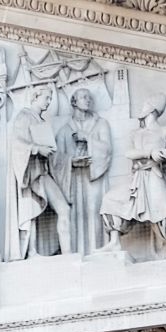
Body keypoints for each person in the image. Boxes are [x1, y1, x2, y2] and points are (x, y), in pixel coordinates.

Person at [101, 94, 166, 258]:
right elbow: (129, 153)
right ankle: (114, 242)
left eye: (145, 105)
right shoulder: (136, 133)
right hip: (137, 179)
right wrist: (150, 152)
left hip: (154, 176)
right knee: (110, 199)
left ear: (152, 109)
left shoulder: (164, 131)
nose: (142, 108)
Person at [9, 86, 72, 257]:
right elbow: (17, 143)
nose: (49, 102)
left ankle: (67, 254)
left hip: (43, 172)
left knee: (64, 209)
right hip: (30, 172)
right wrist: (37, 149)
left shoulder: (42, 121)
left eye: (50, 98)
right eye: (46, 98)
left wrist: (70, 161)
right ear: (35, 97)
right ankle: (32, 251)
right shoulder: (24, 116)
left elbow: (52, 153)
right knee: (31, 210)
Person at [56, 88, 111, 254]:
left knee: (95, 211)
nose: (88, 100)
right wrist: (71, 162)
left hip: (94, 175)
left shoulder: (101, 124)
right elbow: (56, 160)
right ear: (74, 102)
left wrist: (87, 138)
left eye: (89, 97)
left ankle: (98, 250)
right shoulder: (64, 130)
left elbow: (107, 149)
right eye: (83, 97)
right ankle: (76, 253)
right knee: (76, 215)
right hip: (74, 179)